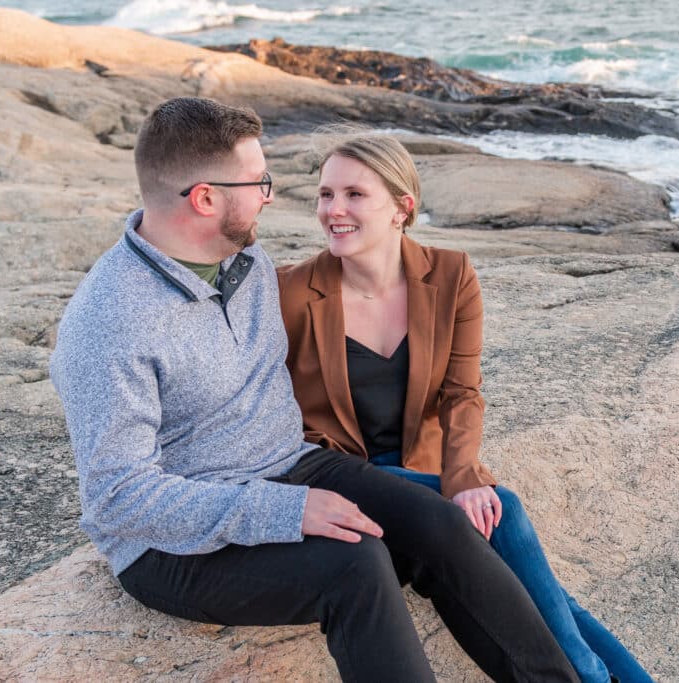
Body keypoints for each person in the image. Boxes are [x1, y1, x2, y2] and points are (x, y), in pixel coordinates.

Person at [49, 96, 579, 683]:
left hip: (289, 464)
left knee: (442, 525)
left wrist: (299, 488)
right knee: (355, 566)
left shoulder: (245, 262)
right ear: (205, 198)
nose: (270, 197)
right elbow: (118, 498)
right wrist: (285, 511)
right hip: (171, 546)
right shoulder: (111, 324)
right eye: (258, 182)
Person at [278, 131, 654, 683]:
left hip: (424, 472)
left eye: (355, 195)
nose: (334, 210)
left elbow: (461, 391)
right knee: (511, 521)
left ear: (402, 208)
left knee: (519, 560)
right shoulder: (290, 292)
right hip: (347, 479)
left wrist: (460, 479)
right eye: (325, 194)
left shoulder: (450, 276)